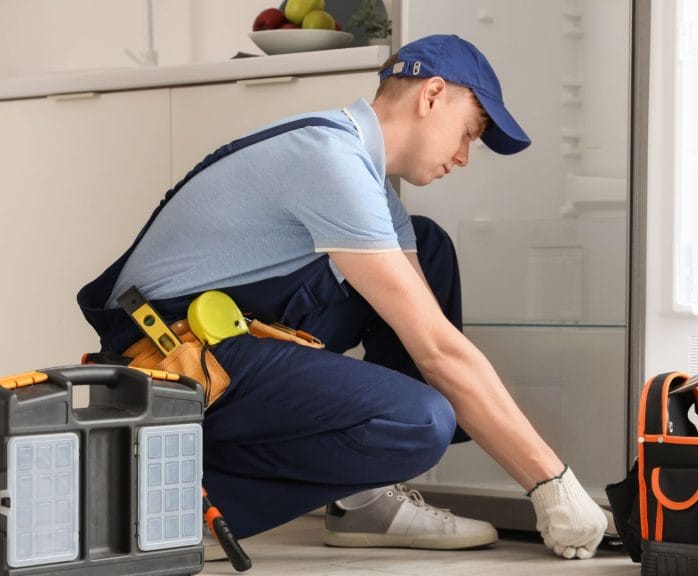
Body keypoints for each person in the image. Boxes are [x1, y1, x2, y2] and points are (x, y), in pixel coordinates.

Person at [77, 34, 608, 560]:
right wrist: (551, 484)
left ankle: (364, 502)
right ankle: (180, 511)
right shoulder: (328, 159)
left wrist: (547, 481)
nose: (465, 157)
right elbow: (437, 351)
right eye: (469, 133)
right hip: (172, 362)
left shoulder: (367, 180)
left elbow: (428, 331)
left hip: (229, 339)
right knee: (420, 420)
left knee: (428, 247)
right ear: (432, 95)